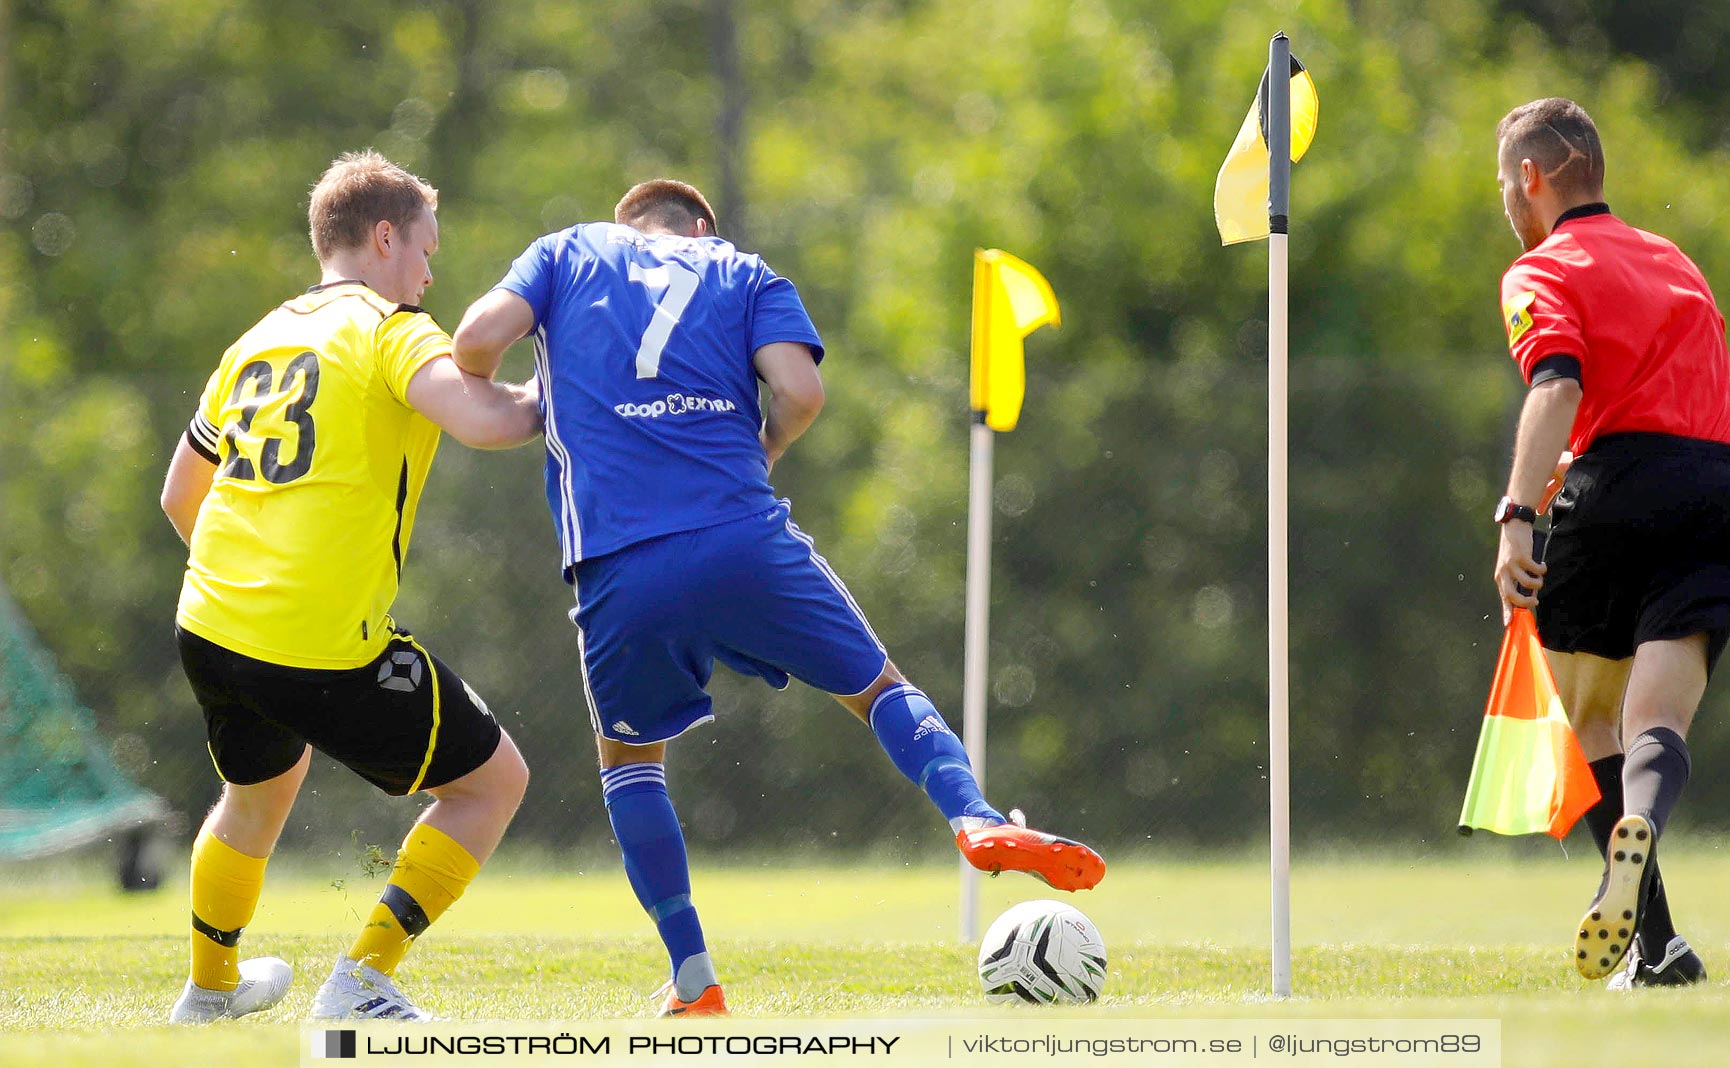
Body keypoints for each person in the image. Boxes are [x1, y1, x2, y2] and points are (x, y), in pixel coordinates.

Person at [452, 179, 1106, 1017]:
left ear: (633, 223)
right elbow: (802, 393)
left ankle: (694, 975)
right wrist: (762, 449)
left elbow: (476, 338)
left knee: (630, 761)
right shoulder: (748, 273)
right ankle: (973, 816)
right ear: (699, 228)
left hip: (617, 558)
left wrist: (525, 399)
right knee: (877, 690)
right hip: (741, 534)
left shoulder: (568, 250)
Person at [160, 151, 541, 1023]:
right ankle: (362, 980)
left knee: (257, 794)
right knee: (492, 784)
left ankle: (210, 993)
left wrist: (250, 587)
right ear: (382, 238)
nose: (431, 271)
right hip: (317, 638)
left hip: (209, 623)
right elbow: (487, 420)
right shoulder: (392, 328)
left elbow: (181, 493)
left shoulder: (258, 336)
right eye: (425, 250)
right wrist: (572, 394)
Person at [1488, 99, 1730, 989]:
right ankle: (1661, 945)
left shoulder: (1540, 268)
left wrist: (1515, 512)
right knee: (1658, 716)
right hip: (1726, 488)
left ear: (1531, 178)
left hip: (1618, 485)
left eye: (1505, 180)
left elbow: (1558, 386)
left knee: (1586, 715)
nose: (1505, 195)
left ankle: (1646, 928)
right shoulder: (1673, 259)